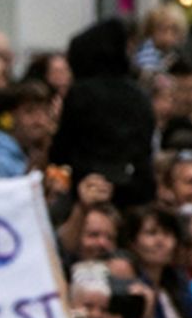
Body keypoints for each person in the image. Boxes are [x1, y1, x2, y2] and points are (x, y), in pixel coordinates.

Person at [51, 20, 157, 207]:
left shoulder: (81, 93)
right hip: (136, 188)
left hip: (89, 188)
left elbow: (63, 148)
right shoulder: (138, 95)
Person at [0, 81, 54, 179]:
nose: (39, 119)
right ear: (13, 116)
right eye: (29, 111)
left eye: (45, 111)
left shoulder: (37, 153)